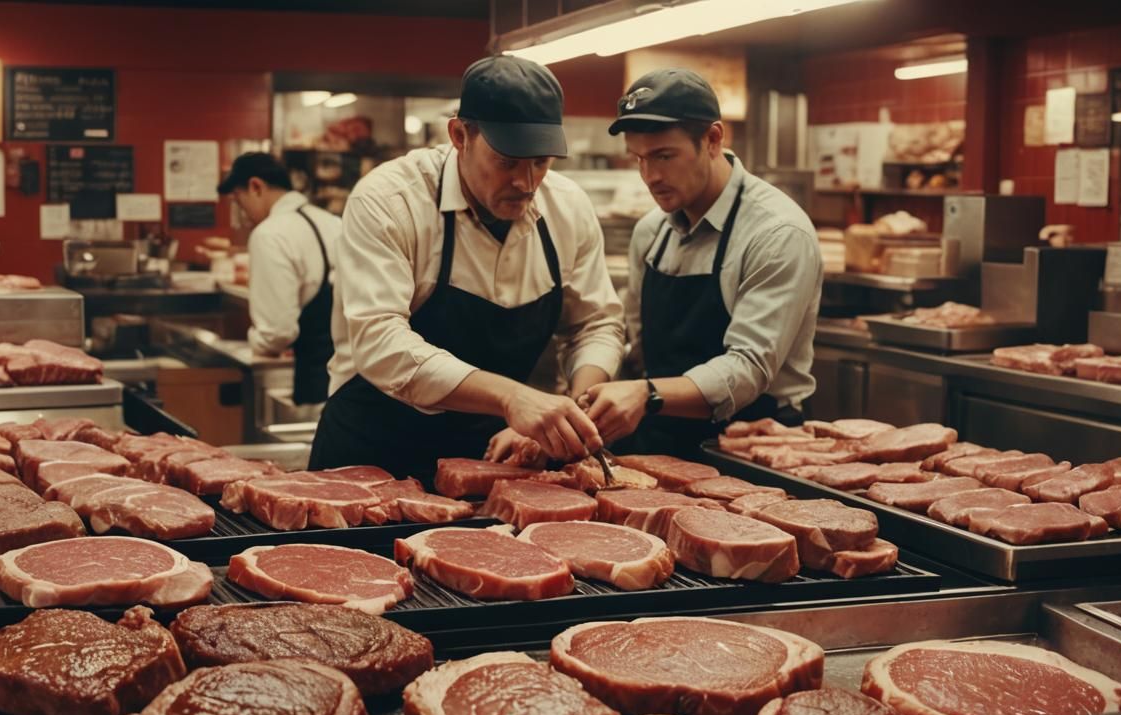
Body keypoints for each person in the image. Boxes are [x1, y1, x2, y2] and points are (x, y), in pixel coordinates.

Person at [308, 55, 626, 485]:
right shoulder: (390, 200)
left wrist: (572, 409)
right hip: (373, 455)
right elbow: (379, 342)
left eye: (541, 161)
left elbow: (595, 323)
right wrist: (512, 398)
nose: (527, 182)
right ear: (460, 135)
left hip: (492, 461)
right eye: (507, 161)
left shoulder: (567, 207)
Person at [580, 68, 821, 459]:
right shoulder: (651, 232)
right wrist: (579, 406)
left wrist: (646, 394)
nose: (650, 176)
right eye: (639, 159)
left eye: (664, 156)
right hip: (659, 440)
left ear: (712, 139)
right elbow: (638, 349)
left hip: (752, 446)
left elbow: (748, 368)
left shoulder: (777, 232)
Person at [218, 152, 342, 404]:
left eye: (239, 201)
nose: (243, 213)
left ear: (256, 187)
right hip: (352, 380)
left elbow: (276, 333)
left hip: (315, 383)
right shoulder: (333, 222)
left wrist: (256, 341)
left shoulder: (269, 235)